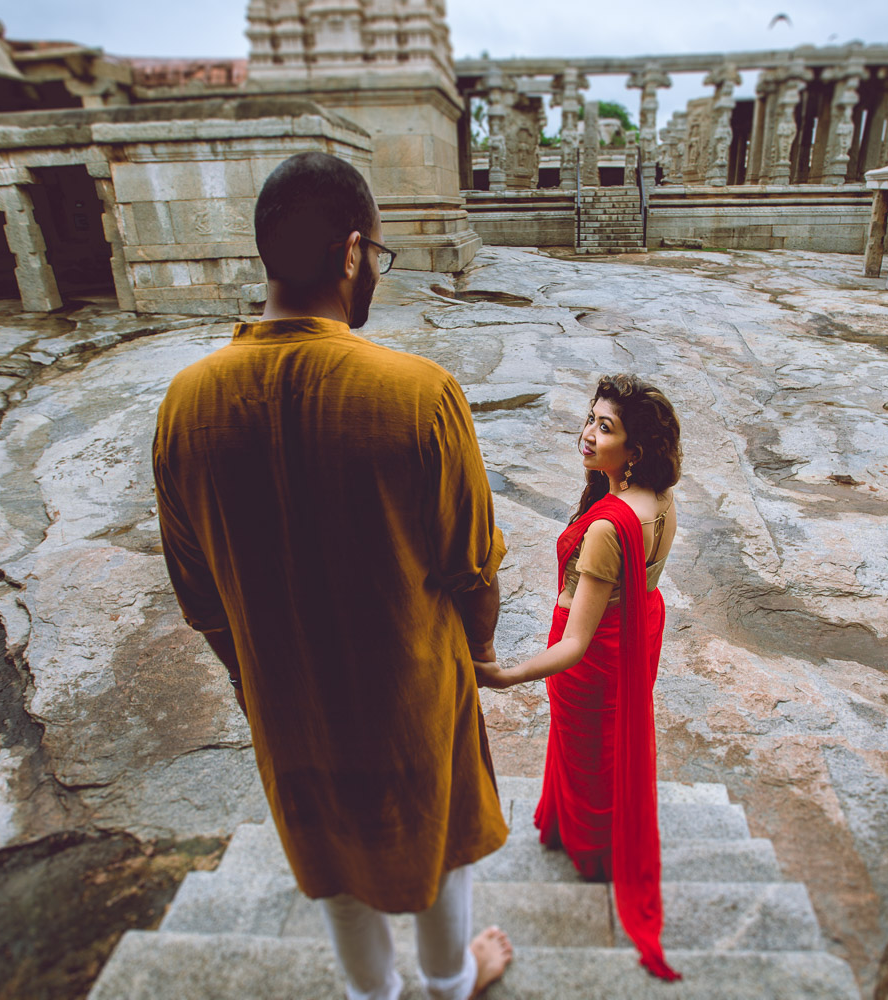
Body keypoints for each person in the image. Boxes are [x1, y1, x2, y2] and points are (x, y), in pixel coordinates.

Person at [152, 151, 512, 1000]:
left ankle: (372, 996)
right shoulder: (419, 392)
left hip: (285, 700)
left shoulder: (185, 403)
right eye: (377, 257)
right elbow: (473, 567)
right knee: (441, 840)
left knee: (332, 861)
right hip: (414, 693)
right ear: (353, 253)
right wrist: (482, 654)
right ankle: (452, 981)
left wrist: (253, 684)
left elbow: (199, 596)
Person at [474, 374, 683, 981]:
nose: (588, 434)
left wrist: (504, 675)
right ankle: (590, 835)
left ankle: (593, 852)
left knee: (589, 750)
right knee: (606, 747)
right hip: (637, 631)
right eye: (591, 419)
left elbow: (573, 645)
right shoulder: (660, 501)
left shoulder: (605, 529)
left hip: (592, 660)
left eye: (605, 427)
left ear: (635, 450)